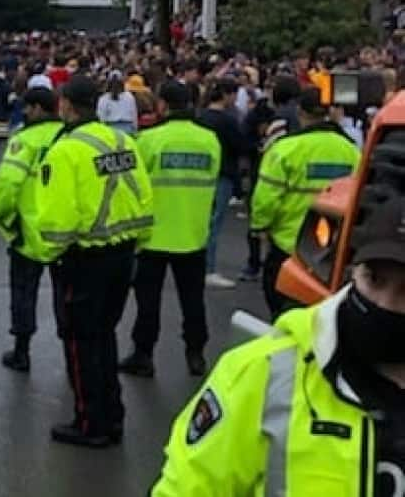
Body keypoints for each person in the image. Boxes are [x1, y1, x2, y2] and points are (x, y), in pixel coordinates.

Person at [152, 187, 405, 495]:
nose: (385, 303)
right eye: (374, 279)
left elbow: (266, 195)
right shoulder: (264, 372)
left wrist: (260, 224)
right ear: (354, 270)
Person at [21, 74, 153, 447]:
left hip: (83, 259)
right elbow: (142, 193)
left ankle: (89, 421)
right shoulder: (121, 140)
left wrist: (48, 255)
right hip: (122, 250)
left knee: (80, 342)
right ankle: (112, 415)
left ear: (65, 105)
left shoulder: (65, 151)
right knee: (105, 337)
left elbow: (58, 216)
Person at [119, 81, 221, 379]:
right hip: (193, 233)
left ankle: (143, 355)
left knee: (148, 302)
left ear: (162, 104)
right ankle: (196, 354)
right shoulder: (209, 140)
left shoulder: (148, 140)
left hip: (153, 235)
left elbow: (132, 186)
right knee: (193, 299)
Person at [251, 86, 360, 318]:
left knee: (282, 312)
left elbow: (266, 198)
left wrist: (260, 226)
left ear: (300, 112)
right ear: (328, 112)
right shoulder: (351, 150)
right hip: (331, 249)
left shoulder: (285, 149)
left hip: (289, 244)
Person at [0, 86, 64, 371]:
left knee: (24, 294)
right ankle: (72, 350)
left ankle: (22, 351)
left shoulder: (24, 141)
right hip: (65, 232)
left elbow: (7, 186)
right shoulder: (70, 137)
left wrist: (7, 221)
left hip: (29, 233)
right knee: (65, 296)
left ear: (36, 109)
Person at [196, 77, 246, 288]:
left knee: (202, 220)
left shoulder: (200, 116)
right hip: (223, 172)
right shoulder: (227, 120)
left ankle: (200, 265)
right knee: (214, 223)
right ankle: (209, 268)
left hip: (203, 173)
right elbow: (239, 144)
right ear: (227, 94)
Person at [97, 70, 138, 136]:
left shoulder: (103, 98)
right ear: (122, 82)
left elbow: (101, 118)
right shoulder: (129, 96)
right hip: (127, 130)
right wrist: (135, 131)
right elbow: (134, 116)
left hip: (110, 131)